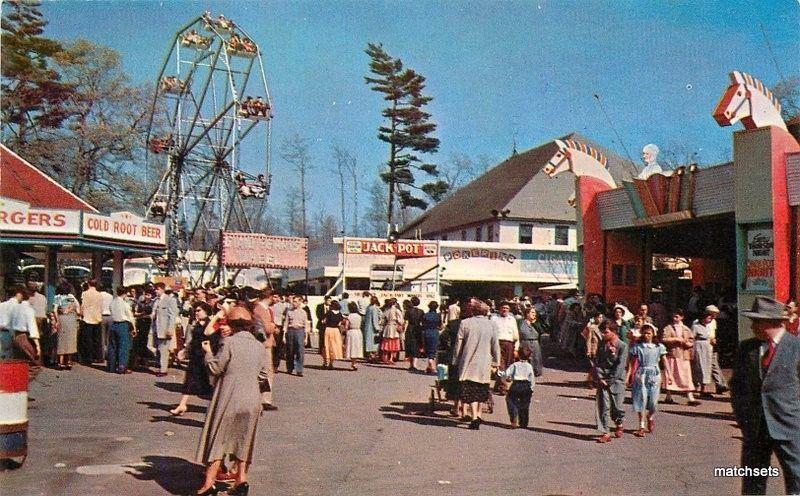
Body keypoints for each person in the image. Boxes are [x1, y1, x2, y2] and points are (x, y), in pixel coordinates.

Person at [195, 307, 269, 496]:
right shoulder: (260, 346)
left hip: (229, 395)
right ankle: (241, 480)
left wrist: (208, 353)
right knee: (244, 440)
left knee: (218, 438)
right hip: (252, 397)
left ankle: (209, 483)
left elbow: (215, 368)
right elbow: (262, 376)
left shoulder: (228, 343)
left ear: (232, 324)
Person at [730, 296, 800, 495]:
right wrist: (743, 418)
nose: (752, 326)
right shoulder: (747, 348)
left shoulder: (796, 348)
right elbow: (737, 387)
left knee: (796, 478)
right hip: (755, 429)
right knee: (753, 482)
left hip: (789, 427)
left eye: (756, 321)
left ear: (772, 322)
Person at [452, 300, 500, 430]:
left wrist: (455, 360)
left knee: (471, 390)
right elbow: (495, 345)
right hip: (484, 362)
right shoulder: (492, 325)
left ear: (473, 311)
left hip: (468, 362)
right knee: (480, 389)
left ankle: (474, 417)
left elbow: (458, 345)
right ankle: (477, 414)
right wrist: (496, 361)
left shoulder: (465, 323)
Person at [171, 302, 216, 416]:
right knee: (189, 381)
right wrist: (185, 351)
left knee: (208, 384)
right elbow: (193, 340)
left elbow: (213, 340)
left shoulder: (209, 324)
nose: (196, 313)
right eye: (195, 310)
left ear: (206, 311)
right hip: (195, 356)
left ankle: (215, 407)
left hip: (204, 356)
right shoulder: (196, 323)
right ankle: (182, 404)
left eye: (199, 310)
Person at [626, 323, 666, 438]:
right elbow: (631, 362)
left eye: (649, 333)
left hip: (654, 374)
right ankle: (641, 426)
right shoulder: (638, 347)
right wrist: (629, 374)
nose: (646, 335)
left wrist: (667, 376)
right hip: (641, 374)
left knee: (653, 402)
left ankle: (650, 416)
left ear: (653, 334)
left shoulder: (659, 347)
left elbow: (664, 362)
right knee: (641, 399)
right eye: (644, 333)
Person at [593, 320, 628, 443]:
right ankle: (605, 432)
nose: (603, 334)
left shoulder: (622, 346)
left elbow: (620, 366)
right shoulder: (602, 344)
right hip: (603, 380)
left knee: (617, 407)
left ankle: (619, 422)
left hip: (616, 381)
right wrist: (600, 377)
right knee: (603, 406)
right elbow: (597, 361)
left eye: (606, 332)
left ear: (613, 332)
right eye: (602, 332)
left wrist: (610, 380)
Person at [661, 309, 699, 406]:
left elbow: (691, 340)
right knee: (671, 374)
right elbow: (664, 339)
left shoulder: (686, 329)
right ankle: (668, 396)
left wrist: (687, 343)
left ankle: (690, 396)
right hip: (673, 355)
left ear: (682, 317)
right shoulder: (668, 328)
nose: (675, 318)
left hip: (683, 355)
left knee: (686, 375)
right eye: (674, 316)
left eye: (677, 316)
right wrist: (675, 339)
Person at [252, 289, 278, 410]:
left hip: (266, 343)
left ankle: (264, 398)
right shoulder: (261, 310)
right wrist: (273, 326)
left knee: (267, 371)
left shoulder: (264, 309)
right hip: (264, 344)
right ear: (269, 297)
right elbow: (267, 328)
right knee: (266, 371)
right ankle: (264, 400)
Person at [497, 346, 535, 429]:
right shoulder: (529, 366)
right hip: (526, 385)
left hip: (516, 384)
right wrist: (532, 388)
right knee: (525, 404)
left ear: (518, 355)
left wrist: (498, 372)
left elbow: (506, 374)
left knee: (510, 400)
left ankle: (513, 416)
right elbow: (532, 378)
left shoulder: (515, 365)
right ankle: (523, 422)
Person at [8, 288, 42, 379]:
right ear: (30, 298)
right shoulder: (29, 310)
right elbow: (32, 328)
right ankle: (23, 380)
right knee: (35, 363)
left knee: (18, 361)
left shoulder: (15, 308)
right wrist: (37, 345)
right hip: (25, 337)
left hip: (16, 336)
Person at [696, 304, 729, 394]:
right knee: (709, 365)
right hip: (703, 346)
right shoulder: (697, 322)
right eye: (713, 313)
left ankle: (720, 384)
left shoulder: (713, 322)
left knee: (714, 365)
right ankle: (719, 384)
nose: (714, 315)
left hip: (712, 345)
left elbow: (713, 332)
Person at [491, 301, 520, 394]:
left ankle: (497, 385)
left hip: (509, 344)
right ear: (499, 309)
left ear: (509, 310)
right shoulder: (494, 318)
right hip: (497, 343)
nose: (504, 310)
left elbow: (516, 334)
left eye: (506, 308)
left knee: (507, 365)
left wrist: (516, 348)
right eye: (503, 308)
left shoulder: (512, 319)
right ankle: (503, 387)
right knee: (500, 365)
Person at [151, 282, 178, 377]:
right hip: (156, 328)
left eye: (157, 289)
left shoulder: (170, 300)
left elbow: (173, 315)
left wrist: (170, 329)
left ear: (162, 289)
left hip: (164, 328)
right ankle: (159, 367)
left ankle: (163, 370)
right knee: (158, 349)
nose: (155, 291)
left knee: (164, 350)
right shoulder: (156, 300)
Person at [53, 281, 80, 370]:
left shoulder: (57, 297)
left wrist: (57, 321)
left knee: (61, 340)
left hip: (62, 319)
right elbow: (76, 307)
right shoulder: (71, 297)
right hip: (71, 319)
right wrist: (70, 310)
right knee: (70, 340)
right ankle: (69, 362)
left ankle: (60, 362)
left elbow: (55, 310)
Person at [108, 286, 135, 374]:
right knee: (123, 346)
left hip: (114, 324)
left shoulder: (112, 302)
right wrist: (134, 327)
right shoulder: (125, 304)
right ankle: (122, 366)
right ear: (125, 293)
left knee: (112, 346)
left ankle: (111, 366)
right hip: (123, 324)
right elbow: (130, 316)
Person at [283, 296, 310, 376]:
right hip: (291, 331)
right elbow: (286, 323)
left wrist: (306, 338)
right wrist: (284, 336)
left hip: (300, 331)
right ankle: (290, 368)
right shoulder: (289, 312)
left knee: (300, 351)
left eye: (295, 301)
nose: (293, 303)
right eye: (293, 301)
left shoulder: (303, 312)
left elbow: (306, 325)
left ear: (299, 302)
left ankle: (299, 370)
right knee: (290, 350)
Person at [691, 310, 715, 397]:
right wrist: (692, 349)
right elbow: (692, 338)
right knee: (699, 366)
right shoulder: (696, 327)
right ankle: (698, 386)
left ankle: (704, 387)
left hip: (707, 347)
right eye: (708, 318)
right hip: (699, 346)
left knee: (707, 367)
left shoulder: (708, 327)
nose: (710, 319)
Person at [80, 279, 104, 364]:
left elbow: (83, 306)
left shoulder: (85, 293)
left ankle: (88, 358)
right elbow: (101, 307)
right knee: (97, 339)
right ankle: (97, 357)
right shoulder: (99, 295)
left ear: (89, 284)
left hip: (87, 318)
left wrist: (81, 314)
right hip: (97, 318)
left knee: (87, 339)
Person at [518, 306, 545, 378]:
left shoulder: (536, 323)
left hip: (535, 342)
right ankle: (524, 372)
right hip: (525, 342)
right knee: (525, 357)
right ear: (527, 314)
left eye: (535, 313)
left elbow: (542, 331)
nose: (534, 314)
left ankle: (537, 372)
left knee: (536, 357)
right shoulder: (521, 322)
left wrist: (534, 323)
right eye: (532, 312)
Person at [379, 299, 403, 364]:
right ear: (395, 304)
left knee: (387, 341)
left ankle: (385, 357)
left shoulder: (387, 310)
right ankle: (391, 358)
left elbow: (382, 320)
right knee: (393, 342)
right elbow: (401, 320)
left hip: (387, 327)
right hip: (394, 327)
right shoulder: (396, 310)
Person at [321, 300, 345, 369]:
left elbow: (324, 321)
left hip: (328, 329)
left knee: (327, 346)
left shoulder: (329, 313)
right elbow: (339, 324)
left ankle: (326, 362)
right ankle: (331, 362)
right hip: (336, 330)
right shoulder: (340, 314)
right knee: (334, 346)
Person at [420, 301, 442, 373]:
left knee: (428, 349)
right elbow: (440, 325)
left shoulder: (425, 315)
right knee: (433, 349)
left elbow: (422, 324)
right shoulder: (438, 315)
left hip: (426, 332)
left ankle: (429, 366)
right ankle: (432, 366)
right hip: (434, 332)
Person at [403, 297, 424, 371]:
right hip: (418, 328)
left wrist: (403, 329)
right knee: (417, 345)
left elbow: (405, 322)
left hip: (410, 328)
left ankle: (411, 364)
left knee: (410, 345)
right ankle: (415, 364)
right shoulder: (421, 311)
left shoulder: (408, 311)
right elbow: (422, 322)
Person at [344, 302, 363, 371]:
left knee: (351, 347)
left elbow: (346, 326)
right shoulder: (359, 316)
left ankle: (353, 362)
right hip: (358, 331)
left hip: (351, 331)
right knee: (356, 347)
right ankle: (355, 362)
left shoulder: (349, 316)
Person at [362, 296, 381, 362]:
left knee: (368, 341)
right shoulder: (374, 308)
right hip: (372, 328)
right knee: (374, 342)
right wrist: (377, 327)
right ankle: (373, 356)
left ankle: (369, 356)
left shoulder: (368, 307)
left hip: (367, 327)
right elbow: (375, 318)